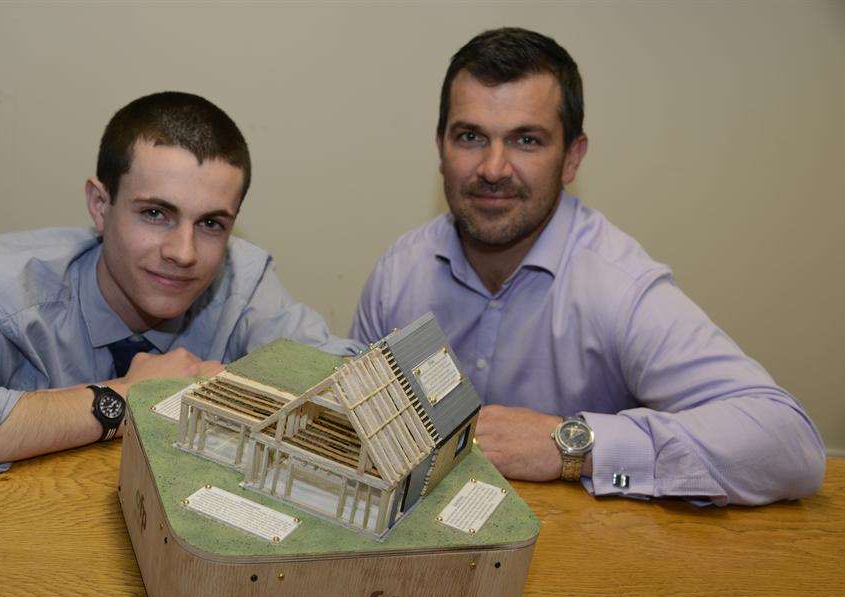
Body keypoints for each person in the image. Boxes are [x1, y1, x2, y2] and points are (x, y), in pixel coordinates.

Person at [350, 28, 824, 505]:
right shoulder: (398, 275)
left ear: (572, 158)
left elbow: (792, 446)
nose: (493, 168)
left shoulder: (619, 288)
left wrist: (570, 445)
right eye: (470, 136)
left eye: (526, 140)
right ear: (440, 147)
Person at [0, 91, 361, 480]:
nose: (184, 253)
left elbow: (353, 387)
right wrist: (125, 399)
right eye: (156, 213)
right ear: (100, 205)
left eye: (211, 224)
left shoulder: (242, 283)